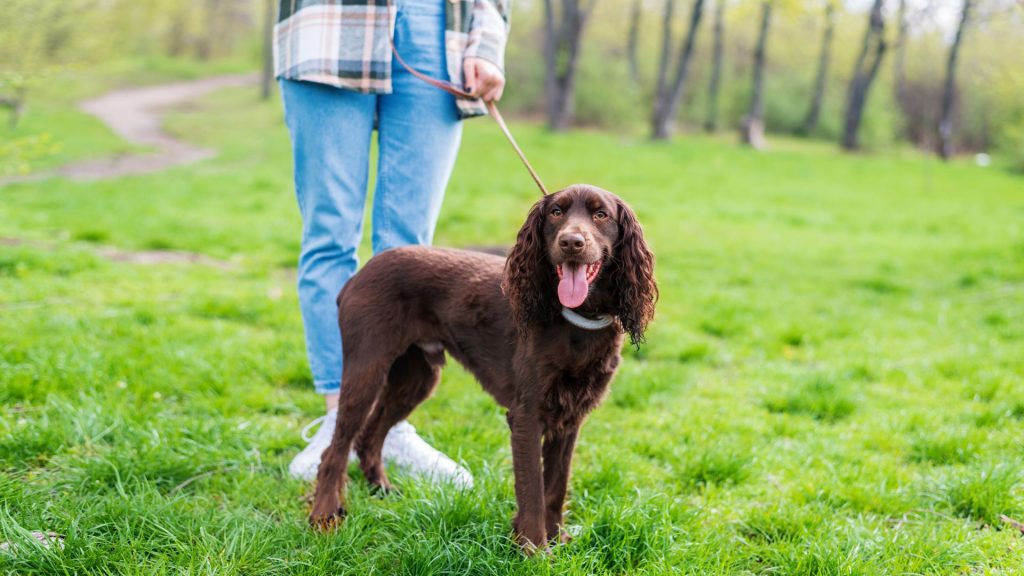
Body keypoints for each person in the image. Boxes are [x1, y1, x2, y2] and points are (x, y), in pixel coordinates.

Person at [274, 0, 510, 484]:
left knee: (411, 251)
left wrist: (486, 43)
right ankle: (341, 419)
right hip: (329, 24)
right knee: (329, 235)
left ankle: (390, 427)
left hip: (436, 28)